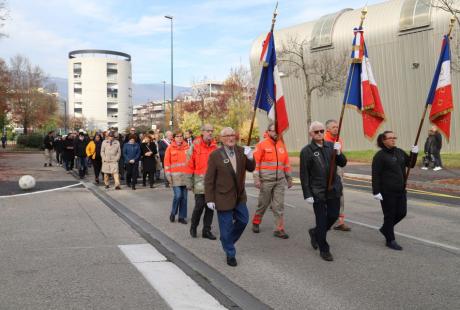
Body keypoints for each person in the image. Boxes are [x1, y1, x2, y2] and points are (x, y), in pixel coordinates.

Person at [204, 127, 255, 267]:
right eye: (227, 136)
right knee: (225, 227)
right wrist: (209, 199)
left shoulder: (241, 151)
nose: (231, 138)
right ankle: (230, 253)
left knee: (243, 220)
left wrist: (250, 157)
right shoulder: (215, 155)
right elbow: (209, 179)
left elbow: (250, 168)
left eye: (233, 135)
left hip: (239, 196)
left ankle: (227, 240)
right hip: (222, 197)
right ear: (222, 139)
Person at [300, 121, 347, 262]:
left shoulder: (331, 146)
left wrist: (339, 153)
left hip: (333, 189)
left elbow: (343, 163)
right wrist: (307, 194)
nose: (319, 133)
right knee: (321, 221)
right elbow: (304, 175)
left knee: (333, 216)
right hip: (318, 191)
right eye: (316, 132)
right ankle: (324, 249)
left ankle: (315, 233)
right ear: (311, 134)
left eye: (321, 131)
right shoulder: (306, 151)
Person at [372, 131, 418, 250]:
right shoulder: (380, 156)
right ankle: (390, 240)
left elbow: (411, 164)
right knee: (390, 216)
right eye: (390, 138)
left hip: (401, 190)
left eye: (394, 138)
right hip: (387, 192)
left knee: (402, 213)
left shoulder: (399, 152)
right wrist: (376, 191)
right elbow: (375, 174)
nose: (393, 140)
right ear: (383, 140)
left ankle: (385, 229)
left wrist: (414, 153)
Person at [251, 123, 293, 239]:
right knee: (263, 204)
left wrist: (289, 178)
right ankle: (256, 221)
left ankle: (279, 229)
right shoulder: (261, 145)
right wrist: (256, 179)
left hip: (279, 181)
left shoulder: (281, 145)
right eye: (273, 131)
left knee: (278, 205)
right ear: (268, 131)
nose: (275, 133)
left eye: (277, 131)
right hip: (266, 181)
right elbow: (256, 164)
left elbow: (286, 163)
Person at [187, 124, 218, 240]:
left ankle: (206, 230)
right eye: (208, 131)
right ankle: (194, 227)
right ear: (202, 132)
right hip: (199, 182)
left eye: (212, 131)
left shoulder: (215, 147)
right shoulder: (195, 146)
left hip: (212, 183)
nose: (210, 133)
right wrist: (189, 182)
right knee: (199, 206)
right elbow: (189, 165)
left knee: (210, 207)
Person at [324, 119, 351, 232]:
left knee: (340, 195)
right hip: (325, 171)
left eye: (337, 126)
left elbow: (340, 157)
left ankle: (340, 221)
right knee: (326, 196)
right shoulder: (323, 140)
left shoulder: (338, 139)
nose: (336, 128)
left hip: (337, 170)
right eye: (333, 127)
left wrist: (340, 168)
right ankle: (325, 219)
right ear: (328, 129)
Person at [164, 130, 190, 224]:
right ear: (174, 138)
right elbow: (167, 163)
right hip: (175, 178)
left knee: (185, 198)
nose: (179, 138)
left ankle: (182, 217)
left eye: (181, 136)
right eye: (177, 136)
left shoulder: (187, 147)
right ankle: (173, 212)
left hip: (185, 177)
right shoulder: (170, 148)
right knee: (178, 196)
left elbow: (191, 162)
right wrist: (168, 176)